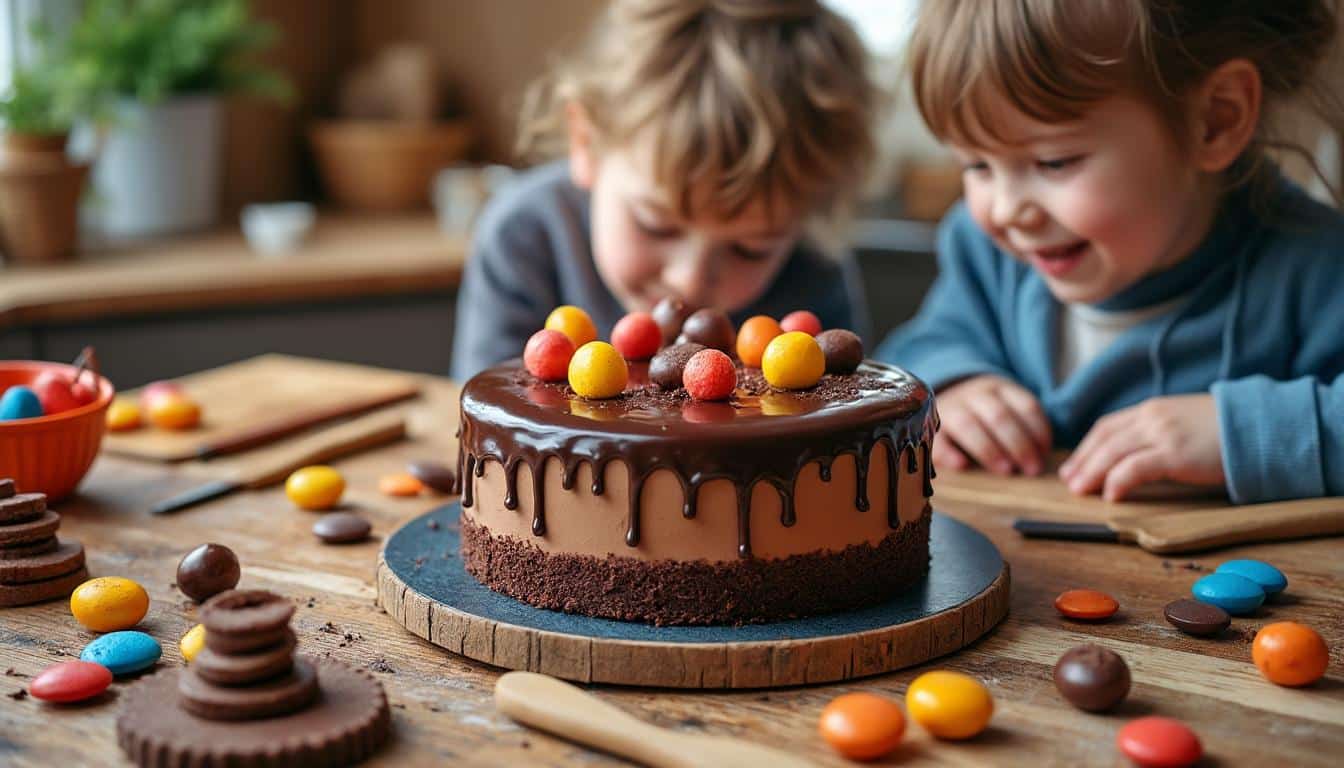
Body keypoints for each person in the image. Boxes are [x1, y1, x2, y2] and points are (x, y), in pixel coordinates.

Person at [877, 0, 1344, 504]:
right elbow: (916, 350)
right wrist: (954, 385)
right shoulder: (985, 251)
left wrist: (1251, 433)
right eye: (976, 166)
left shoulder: (1315, 267)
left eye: (1054, 161)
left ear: (1215, 119)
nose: (1008, 210)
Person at [451, 0, 876, 381]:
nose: (688, 280)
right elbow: (491, 421)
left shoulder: (813, 267)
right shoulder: (524, 237)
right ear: (585, 141)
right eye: (656, 225)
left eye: (751, 249)